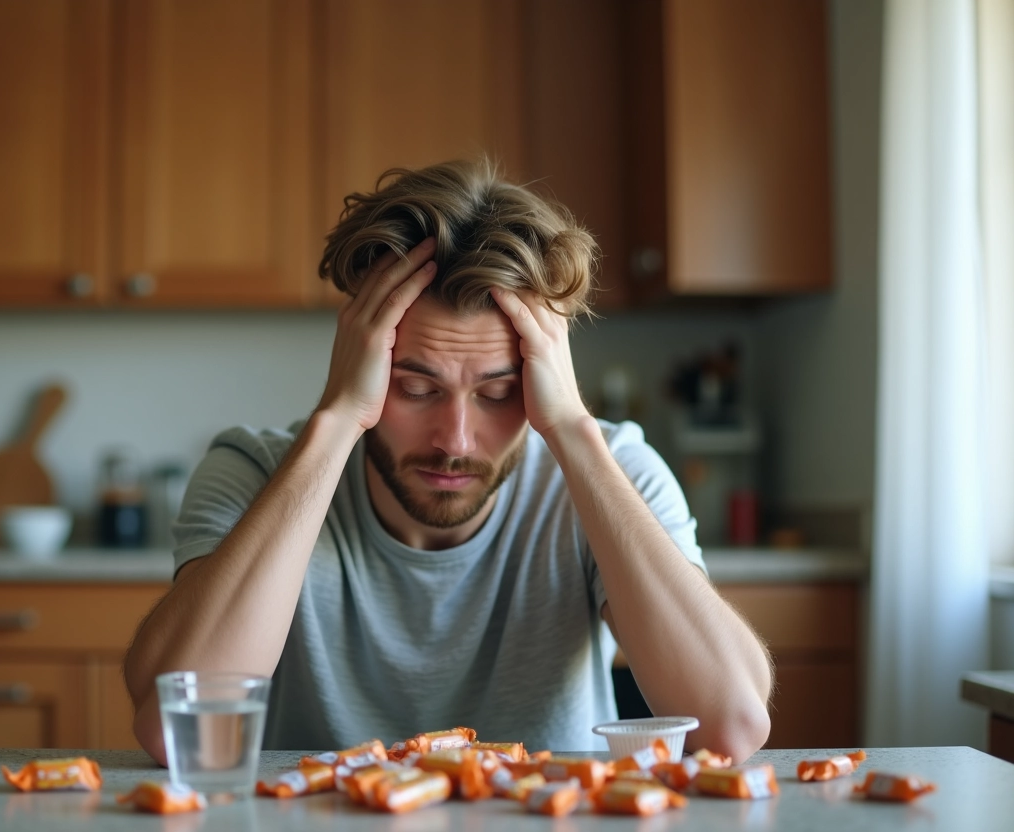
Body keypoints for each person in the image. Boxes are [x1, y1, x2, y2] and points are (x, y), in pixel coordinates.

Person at [123, 158, 773, 762]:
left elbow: (731, 727)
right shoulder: (255, 470)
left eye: (497, 393)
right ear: (359, 360)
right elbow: (172, 728)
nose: (456, 440)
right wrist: (335, 420)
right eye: (415, 387)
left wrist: (574, 429)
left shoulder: (614, 470)